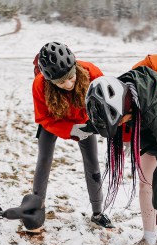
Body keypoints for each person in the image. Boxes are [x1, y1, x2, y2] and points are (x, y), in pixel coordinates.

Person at [85, 66, 157, 245]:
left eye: (120, 119)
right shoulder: (127, 94)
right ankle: (149, 239)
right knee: (145, 182)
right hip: (153, 131)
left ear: (125, 109)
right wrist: (89, 126)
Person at [31, 41, 114, 232]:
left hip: (84, 121)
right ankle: (36, 209)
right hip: (53, 122)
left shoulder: (91, 72)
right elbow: (43, 117)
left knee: (92, 162)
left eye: (71, 78)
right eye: (61, 82)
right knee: (44, 159)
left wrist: (99, 124)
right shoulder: (39, 85)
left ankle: (98, 213)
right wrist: (70, 130)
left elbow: (106, 101)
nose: (68, 85)